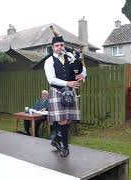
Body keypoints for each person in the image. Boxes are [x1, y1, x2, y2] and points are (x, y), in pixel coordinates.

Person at [44, 26, 86, 158]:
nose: (59, 47)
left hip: (71, 91)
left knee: (69, 120)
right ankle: (65, 147)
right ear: (52, 47)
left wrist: (83, 75)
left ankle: (56, 138)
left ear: (64, 45)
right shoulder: (49, 61)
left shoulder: (70, 56)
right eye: (57, 45)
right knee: (62, 120)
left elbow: (82, 68)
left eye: (61, 45)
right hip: (58, 91)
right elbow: (51, 79)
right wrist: (67, 83)